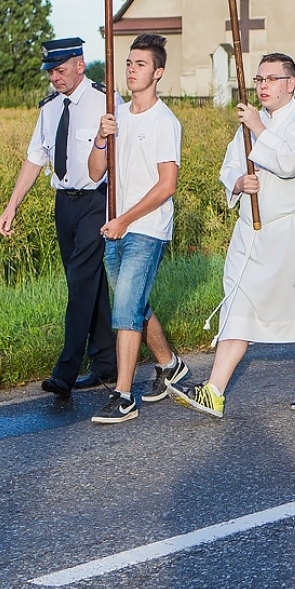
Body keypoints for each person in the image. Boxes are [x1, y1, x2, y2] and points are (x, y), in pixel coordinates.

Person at [175, 53, 295, 419]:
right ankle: (214, 390)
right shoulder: (249, 124)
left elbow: (289, 162)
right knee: (238, 298)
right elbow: (231, 164)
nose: (263, 86)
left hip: (292, 228)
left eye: (271, 79)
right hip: (251, 231)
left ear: (290, 84)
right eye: (259, 79)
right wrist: (238, 181)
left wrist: (258, 129)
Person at [0, 37, 118, 399]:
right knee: (88, 283)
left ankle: (65, 372)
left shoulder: (105, 102)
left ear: (80, 65)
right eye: (50, 71)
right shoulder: (49, 109)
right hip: (64, 204)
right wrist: (12, 205)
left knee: (80, 283)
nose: (55, 77)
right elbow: (36, 157)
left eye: (60, 70)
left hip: (98, 201)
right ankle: (105, 363)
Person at [86, 34, 190, 423]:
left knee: (126, 307)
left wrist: (125, 219)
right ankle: (169, 364)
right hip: (116, 227)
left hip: (145, 227)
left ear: (158, 72)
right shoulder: (116, 116)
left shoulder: (165, 122)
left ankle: (123, 395)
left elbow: (168, 185)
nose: (131, 70)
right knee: (136, 303)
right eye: (128, 63)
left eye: (140, 64)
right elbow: (95, 172)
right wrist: (101, 137)